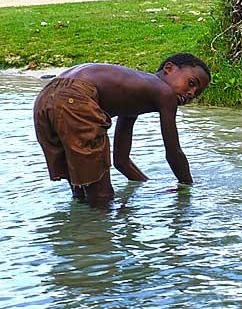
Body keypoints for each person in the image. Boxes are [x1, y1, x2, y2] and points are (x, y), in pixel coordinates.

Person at [33, 52, 211, 207]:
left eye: (197, 93)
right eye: (191, 83)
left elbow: (121, 160)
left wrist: (143, 183)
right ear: (169, 68)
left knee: (81, 189)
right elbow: (174, 153)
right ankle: (97, 241)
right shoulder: (165, 93)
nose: (191, 93)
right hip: (76, 97)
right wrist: (187, 188)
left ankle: (78, 237)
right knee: (101, 197)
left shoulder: (134, 93)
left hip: (46, 98)